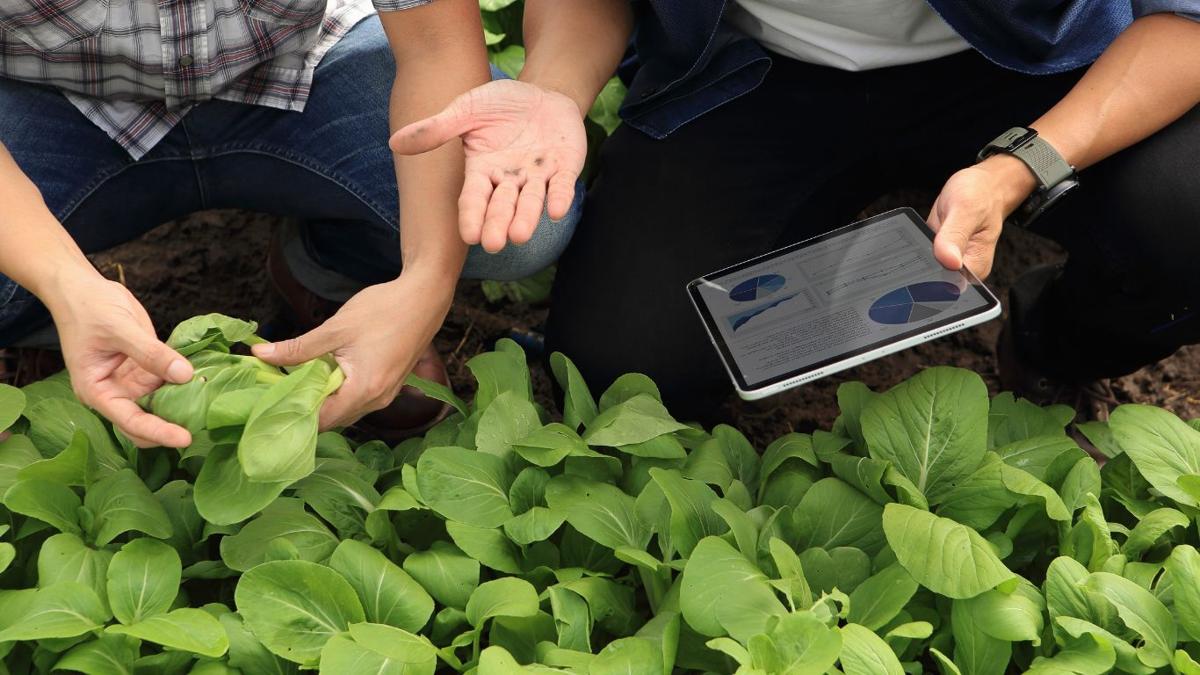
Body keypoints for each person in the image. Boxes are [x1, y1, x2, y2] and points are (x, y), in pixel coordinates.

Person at [400, 0, 1200, 422]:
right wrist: (556, 89)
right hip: (758, 72)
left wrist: (1021, 165)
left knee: (1183, 216)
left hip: (1014, 66)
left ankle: (1052, 342)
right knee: (629, 365)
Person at [0, 0, 614, 446]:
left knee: (510, 216)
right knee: (30, 276)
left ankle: (333, 270)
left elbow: (434, 43)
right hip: (47, 96)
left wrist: (426, 280)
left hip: (299, 67)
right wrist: (62, 283)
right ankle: (50, 317)